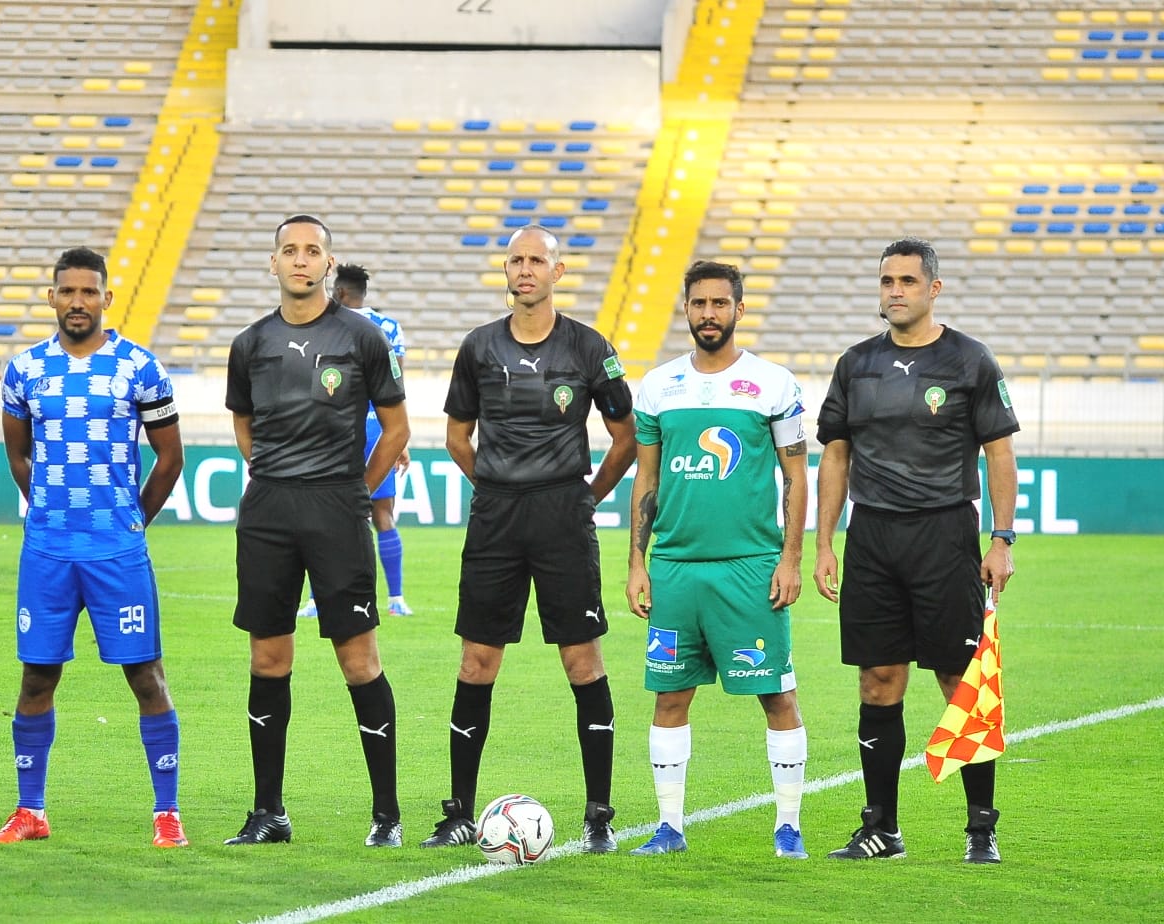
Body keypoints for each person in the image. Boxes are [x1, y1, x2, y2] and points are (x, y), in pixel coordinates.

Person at [419, 224, 635, 853]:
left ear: (557, 272)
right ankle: (458, 811)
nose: (525, 270)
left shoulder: (590, 347)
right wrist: (493, 485)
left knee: (582, 660)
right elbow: (459, 436)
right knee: (476, 662)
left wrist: (583, 497)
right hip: (497, 520)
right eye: (515, 259)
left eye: (537, 260)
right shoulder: (478, 347)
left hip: (562, 518)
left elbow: (625, 438)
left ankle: (599, 815)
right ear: (505, 271)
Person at [813, 237, 1019, 864]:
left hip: (944, 535)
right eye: (886, 281)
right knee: (878, 681)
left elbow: (999, 453)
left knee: (959, 683)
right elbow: (836, 455)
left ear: (933, 289)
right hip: (872, 538)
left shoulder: (970, 360)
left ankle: (980, 828)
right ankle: (881, 828)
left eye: (906, 281)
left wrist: (1002, 539)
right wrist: (823, 543)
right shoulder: (856, 364)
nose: (894, 291)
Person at [0, 247, 188, 849]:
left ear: (106, 298)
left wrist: (132, 521)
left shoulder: (140, 367)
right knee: (36, 678)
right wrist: (48, 508)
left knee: (146, 676)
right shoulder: (25, 371)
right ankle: (30, 811)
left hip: (115, 551)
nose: (78, 302)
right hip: (48, 550)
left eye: (88, 292)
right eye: (67, 292)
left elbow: (169, 457)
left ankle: (167, 813)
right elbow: (19, 455)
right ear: (51, 297)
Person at [225, 215, 410, 848]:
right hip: (269, 512)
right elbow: (244, 423)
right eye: (289, 251)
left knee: (358, 661)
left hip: (337, 510)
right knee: (268, 658)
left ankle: (385, 815)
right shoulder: (249, 344)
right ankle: (268, 813)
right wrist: (271, 473)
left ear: (329, 265)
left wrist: (357, 489)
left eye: (312, 251)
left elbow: (396, 430)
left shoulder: (361, 337)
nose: (300, 260)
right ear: (272, 264)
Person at [625, 261, 810, 859]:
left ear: (738, 309)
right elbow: (645, 478)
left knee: (777, 696)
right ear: (686, 309)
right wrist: (637, 562)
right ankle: (669, 827)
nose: (708, 314)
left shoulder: (774, 384)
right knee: (669, 697)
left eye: (719, 304)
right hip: (676, 569)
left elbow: (796, 477)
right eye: (698, 303)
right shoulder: (657, 386)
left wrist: (790, 558)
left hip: (750, 567)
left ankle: (788, 826)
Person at [297, 263, 413, 618]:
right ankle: (395, 600)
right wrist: (399, 439)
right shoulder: (390, 327)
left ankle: (318, 601)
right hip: (379, 429)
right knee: (382, 515)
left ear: (342, 293)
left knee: (324, 516)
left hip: (335, 431)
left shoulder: (327, 322)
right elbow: (396, 387)